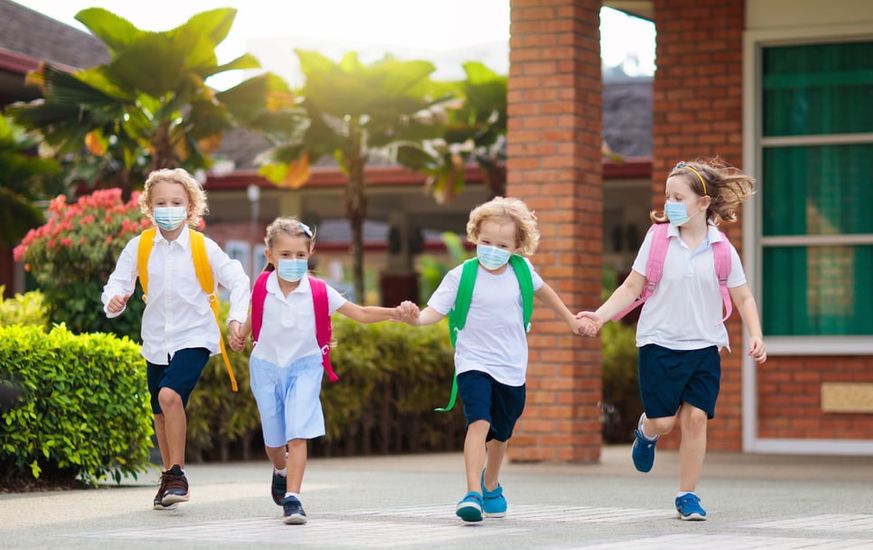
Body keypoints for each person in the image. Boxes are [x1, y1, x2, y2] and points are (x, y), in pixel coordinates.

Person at [577, 159, 767, 520]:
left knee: (695, 419)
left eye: (677, 197)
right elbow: (632, 287)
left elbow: (742, 296)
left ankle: (687, 495)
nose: (669, 204)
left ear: (703, 203)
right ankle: (646, 432)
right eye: (667, 196)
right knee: (665, 422)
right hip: (659, 344)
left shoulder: (721, 248)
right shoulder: (658, 239)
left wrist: (756, 334)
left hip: (704, 346)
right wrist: (600, 317)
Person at [401, 197, 588, 522]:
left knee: (501, 434)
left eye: (502, 244)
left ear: (517, 245)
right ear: (475, 235)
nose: (492, 249)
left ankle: (491, 485)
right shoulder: (462, 275)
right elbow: (432, 313)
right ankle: (472, 493)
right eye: (486, 242)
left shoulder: (522, 270)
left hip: (512, 368)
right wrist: (413, 318)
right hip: (474, 363)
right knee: (479, 423)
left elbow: (546, 293)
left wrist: (571, 320)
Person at [229, 217, 418, 525]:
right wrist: (240, 334)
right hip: (265, 367)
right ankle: (280, 468)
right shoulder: (262, 286)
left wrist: (394, 313)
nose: (293, 261)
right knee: (275, 442)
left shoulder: (319, 292)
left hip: (305, 367)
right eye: (285, 255)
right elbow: (253, 319)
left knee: (298, 433)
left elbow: (360, 313)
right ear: (270, 255)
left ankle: (294, 498)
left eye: (300, 255)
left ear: (310, 253)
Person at [102, 168, 249, 510]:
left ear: (191, 206)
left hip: (195, 336)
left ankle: (178, 473)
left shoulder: (203, 247)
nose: (169, 208)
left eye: (177, 202)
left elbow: (239, 280)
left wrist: (236, 318)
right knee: (159, 411)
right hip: (155, 339)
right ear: (149, 207)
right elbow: (118, 283)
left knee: (170, 397)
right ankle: (169, 475)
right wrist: (115, 299)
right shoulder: (138, 247)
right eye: (161, 202)